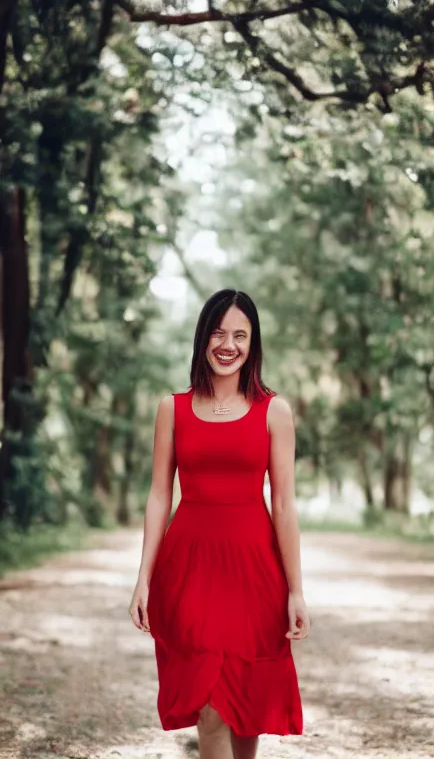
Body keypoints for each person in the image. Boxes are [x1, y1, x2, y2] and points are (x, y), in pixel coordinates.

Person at [129, 288, 310, 759]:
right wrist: (143, 579)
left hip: (255, 571)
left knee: (246, 707)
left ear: (253, 344)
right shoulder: (173, 408)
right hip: (191, 570)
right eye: (218, 332)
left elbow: (285, 505)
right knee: (212, 711)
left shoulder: (275, 411)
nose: (227, 344)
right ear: (202, 338)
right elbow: (158, 495)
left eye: (240, 335)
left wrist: (296, 589)